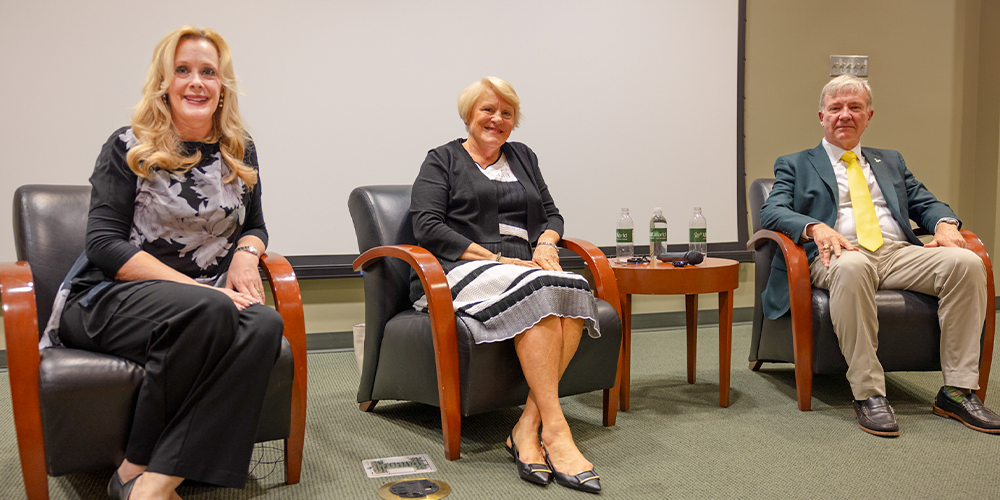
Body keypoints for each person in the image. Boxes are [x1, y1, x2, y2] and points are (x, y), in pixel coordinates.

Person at [50, 26, 283, 499]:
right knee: (215, 309)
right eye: (183, 70)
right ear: (163, 82)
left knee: (263, 324)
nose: (196, 82)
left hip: (206, 303)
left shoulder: (240, 149)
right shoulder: (127, 145)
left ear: (222, 87)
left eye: (208, 72)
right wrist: (200, 290)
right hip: (109, 298)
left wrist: (245, 253)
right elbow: (103, 245)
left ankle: (148, 480)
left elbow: (255, 225)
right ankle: (140, 471)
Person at [760, 75, 999, 437]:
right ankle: (868, 393)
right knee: (853, 266)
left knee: (967, 262)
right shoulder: (795, 164)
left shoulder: (890, 161)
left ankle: (957, 391)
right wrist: (815, 228)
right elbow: (772, 212)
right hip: (836, 254)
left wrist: (946, 225)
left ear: (868, 116)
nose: (845, 115)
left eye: (854, 107)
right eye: (836, 108)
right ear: (821, 116)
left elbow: (926, 203)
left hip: (897, 253)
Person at [410, 77, 602, 493]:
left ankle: (528, 427)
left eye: (507, 113)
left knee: (572, 286)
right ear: (468, 115)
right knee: (544, 287)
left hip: (524, 267)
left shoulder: (524, 157)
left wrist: (548, 244)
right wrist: (494, 257)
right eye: (487, 110)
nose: (497, 119)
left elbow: (551, 215)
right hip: (457, 267)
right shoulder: (441, 160)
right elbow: (426, 225)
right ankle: (557, 431)